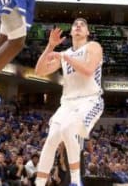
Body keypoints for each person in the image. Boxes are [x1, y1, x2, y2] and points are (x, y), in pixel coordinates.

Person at [32, 19, 104, 186]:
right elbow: (39, 71)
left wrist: (64, 56)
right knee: (51, 140)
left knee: (67, 129)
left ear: (87, 32)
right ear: (71, 32)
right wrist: (50, 47)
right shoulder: (64, 54)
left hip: (90, 100)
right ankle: (39, 183)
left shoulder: (93, 47)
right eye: (75, 25)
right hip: (67, 104)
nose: (78, 26)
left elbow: (87, 71)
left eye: (83, 25)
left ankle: (76, 181)